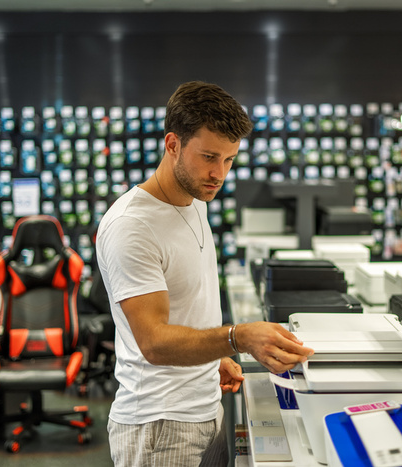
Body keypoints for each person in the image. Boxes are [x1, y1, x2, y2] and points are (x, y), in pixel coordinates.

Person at [96, 80, 314, 467]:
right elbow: (154, 342)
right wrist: (237, 337)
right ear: (172, 144)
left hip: (203, 409)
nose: (220, 173)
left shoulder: (195, 199)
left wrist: (212, 358)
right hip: (159, 427)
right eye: (209, 157)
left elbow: (187, 310)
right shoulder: (132, 226)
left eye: (229, 159)